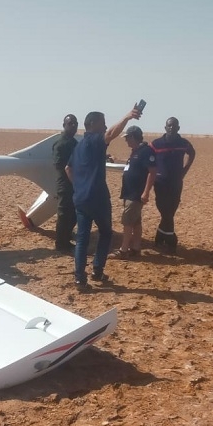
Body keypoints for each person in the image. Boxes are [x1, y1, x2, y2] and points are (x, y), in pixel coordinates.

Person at [65, 107, 141, 290]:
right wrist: (127, 117)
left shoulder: (79, 145)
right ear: (92, 124)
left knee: (82, 238)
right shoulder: (93, 139)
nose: (105, 125)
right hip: (97, 198)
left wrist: (79, 187)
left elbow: (68, 169)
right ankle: (97, 270)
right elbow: (111, 133)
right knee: (106, 233)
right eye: (102, 122)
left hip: (81, 198)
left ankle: (79, 278)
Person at [150, 117, 195, 255]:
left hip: (176, 183)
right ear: (165, 128)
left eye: (174, 126)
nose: (171, 128)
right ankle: (171, 240)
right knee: (165, 211)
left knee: (170, 212)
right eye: (169, 126)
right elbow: (148, 158)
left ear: (178, 128)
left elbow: (192, 153)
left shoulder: (183, 143)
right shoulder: (156, 144)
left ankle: (161, 238)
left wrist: (185, 170)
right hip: (160, 184)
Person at [113, 125, 155, 259]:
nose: (126, 141)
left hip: (136, 194)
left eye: (127, 138)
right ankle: (136, 247)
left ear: (132, 137)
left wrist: (146, 192)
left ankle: (123, 250)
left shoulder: (146, 151)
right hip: (129, 192)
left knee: (127, 222)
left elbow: (152, 172)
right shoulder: (136, 151)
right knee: (136, 222)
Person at [53, 114, 78, 254]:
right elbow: (59, 165)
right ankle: (61, 244)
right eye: (70, 123)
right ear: (64, 125)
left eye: (75, 123)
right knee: (64, 214)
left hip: (75, 183)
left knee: (73, 214)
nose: (73, 126)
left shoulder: (74, 143)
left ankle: (66, 238)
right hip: (65, 183)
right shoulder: (61, 144)